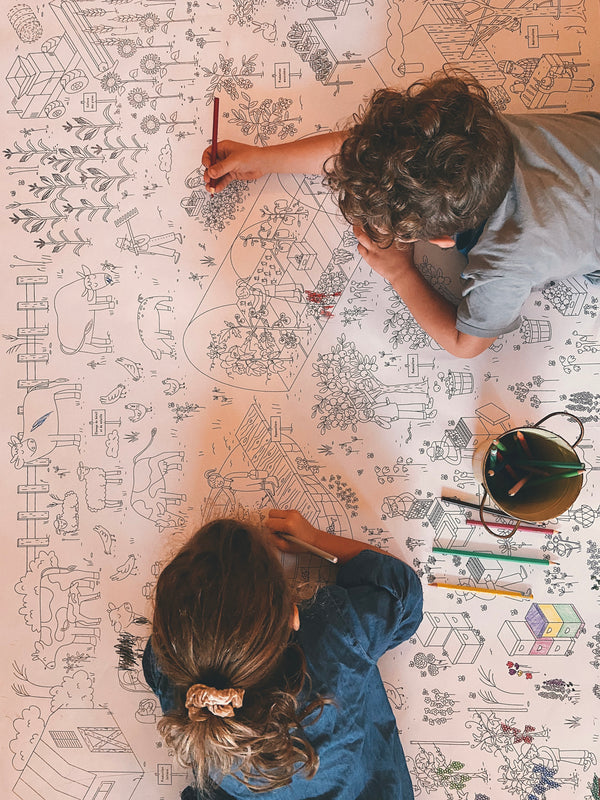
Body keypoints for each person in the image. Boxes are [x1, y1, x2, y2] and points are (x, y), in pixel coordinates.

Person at [201, 68, 600, 359]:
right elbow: (372, 151)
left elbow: (465, 345)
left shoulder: (507, 261)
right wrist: (263, 159)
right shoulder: (476, 133)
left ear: (443, 241)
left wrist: (401, 272)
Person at [143, 508, 423, 799]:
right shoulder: (334, 637)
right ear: (293, 616)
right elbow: (400, 592)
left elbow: (156, 661)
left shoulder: (177, 679)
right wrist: (314, 538)